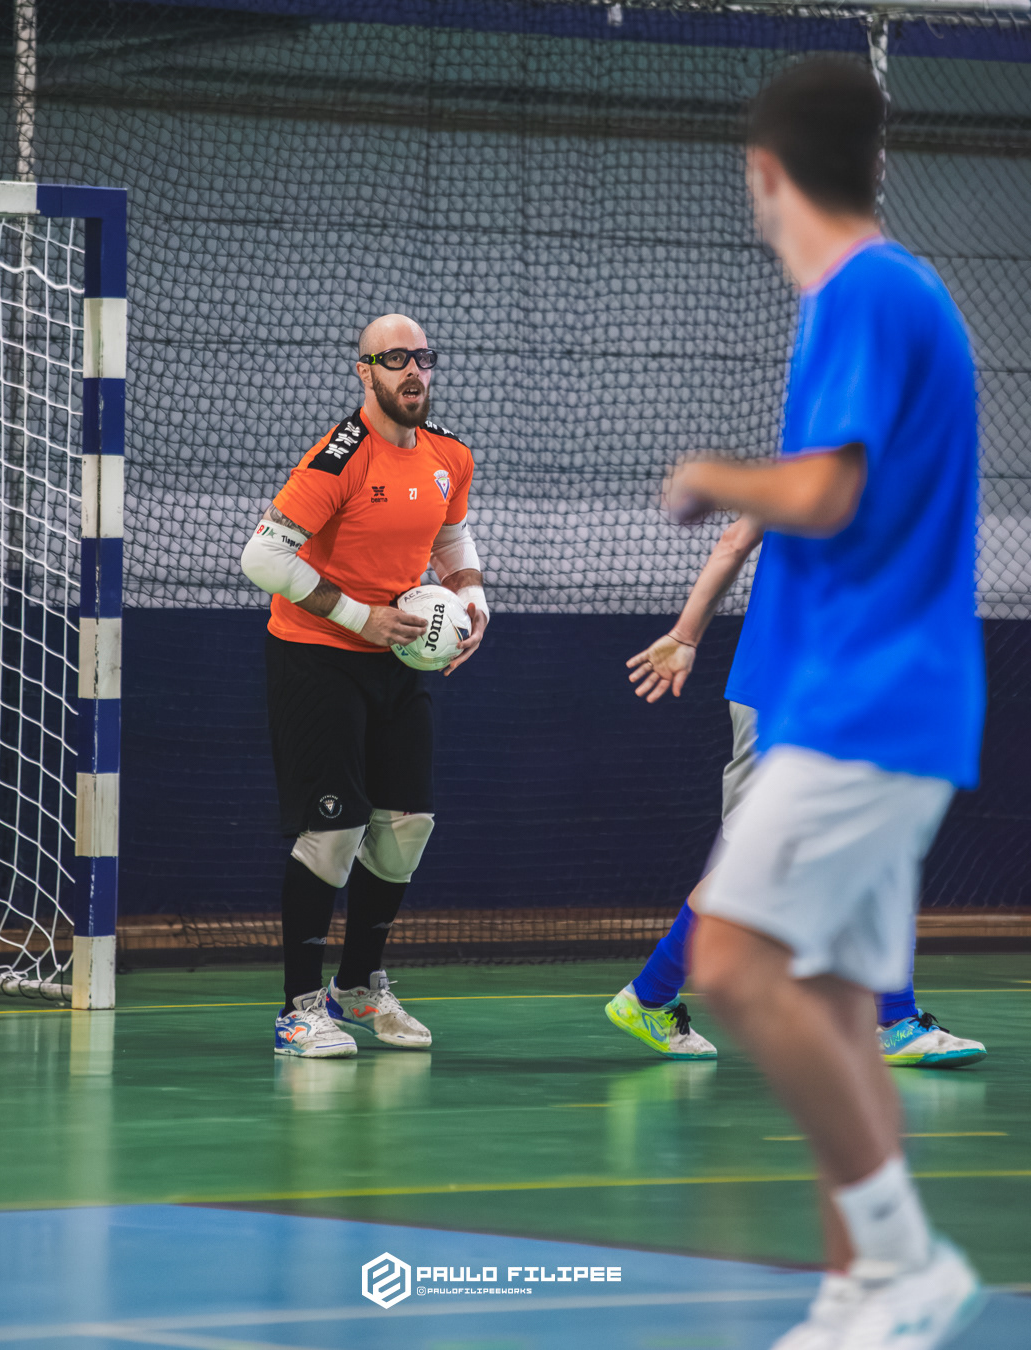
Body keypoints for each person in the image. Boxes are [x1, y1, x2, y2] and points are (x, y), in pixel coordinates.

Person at [656, 59, 986, 1348]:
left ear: (765, 173)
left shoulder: (858, 292)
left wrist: (710, 476)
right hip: (881, 698)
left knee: (735, 968)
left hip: (868, 703)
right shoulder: (902, 293)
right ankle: (862, 1299)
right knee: (843, 1010)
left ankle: (902, 1259)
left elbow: (826, 493)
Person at [606, 514, 986, 1069]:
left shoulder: (793, 477)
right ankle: (892, 1020)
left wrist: (685, 635)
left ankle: (653, 995)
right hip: (813, 699)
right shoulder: (880, 484)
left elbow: (733, 541)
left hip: (781, 692)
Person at [241, 313, 488, 1059]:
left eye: (422, 358)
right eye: (394, 359)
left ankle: (357, 987)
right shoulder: (339, 457)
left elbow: (450, 533)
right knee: (335, 829)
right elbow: (263, 558)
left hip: (398, 660)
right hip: (317, 655)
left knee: (407, 826)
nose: (412, 371)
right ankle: (297, 1011)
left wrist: (472, 598)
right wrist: (359, 616)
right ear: (365, 371)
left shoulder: (449, 453)